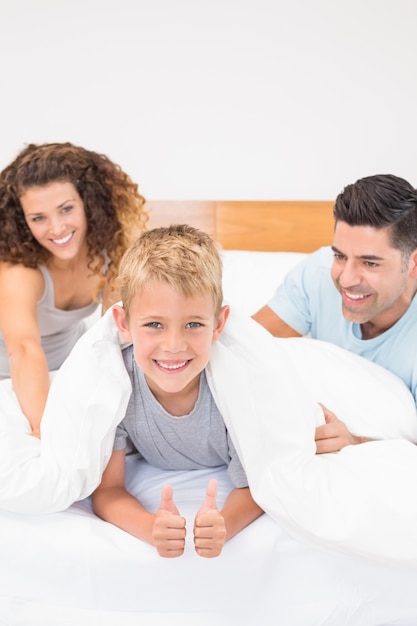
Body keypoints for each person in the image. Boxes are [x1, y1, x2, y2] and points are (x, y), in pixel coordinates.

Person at [91, 224, 263, 558]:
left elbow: (259, 482)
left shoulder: (233, 383)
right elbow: (108, 490)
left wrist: (225, 524)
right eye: (154, 324)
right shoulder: (117, 383)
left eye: (194, 324)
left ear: (220, 323)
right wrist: (149, 526)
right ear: (123, 324)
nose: (173, 345)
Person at [252, 174, 417, 454]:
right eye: (340, 256)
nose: (346, 279)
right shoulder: (316, 274)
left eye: (369, 263)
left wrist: (355, 443)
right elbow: (244, 348)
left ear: (413, 263)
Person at [0, 142, 148, 438]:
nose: (56, 228)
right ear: (22, 221)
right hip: (14, 368)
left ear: (89, 204)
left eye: (66, 209)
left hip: (68, 357)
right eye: (38, 218)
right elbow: (24, 349)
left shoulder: (113, 253)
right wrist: (45, 427)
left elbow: (115, 334)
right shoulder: (20, 271)